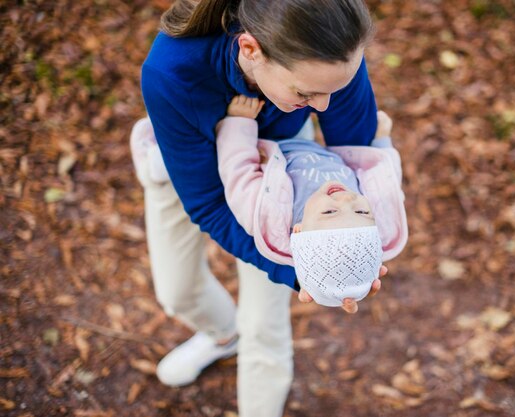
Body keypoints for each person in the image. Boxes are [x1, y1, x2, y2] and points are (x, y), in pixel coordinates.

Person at [131, 1, 388, 416]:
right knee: (177, 291)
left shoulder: (331, 53)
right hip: (187, 164)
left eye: (333, 90)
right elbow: (210, 204)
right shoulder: (171, 72)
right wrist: (287, 264)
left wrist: (318, 254)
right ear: (250, 50)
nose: (324, 107)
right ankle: (221, 335)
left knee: (262, 324)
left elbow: (356, 152)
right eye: (306, 93)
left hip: (284, 177)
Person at [215, 95, 408, 307]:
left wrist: (239, 124)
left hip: (264, 142)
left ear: (298, 230)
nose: (346, 198)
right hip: (306, 137)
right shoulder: (380, 222)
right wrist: (381, 141)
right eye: (362, 213)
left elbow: (238, 171)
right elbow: (382, 179)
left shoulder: (270, 216)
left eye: (330, 212)